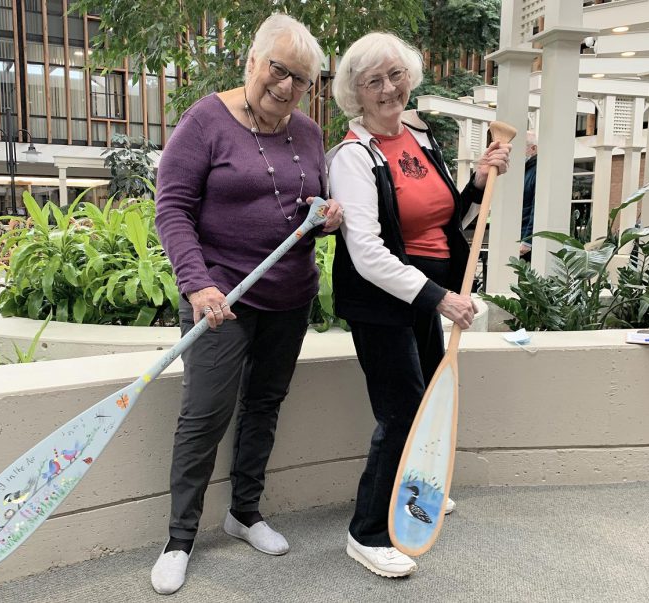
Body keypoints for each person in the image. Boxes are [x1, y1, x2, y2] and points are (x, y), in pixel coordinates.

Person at [152, 14, 343, 595]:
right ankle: (179, 539)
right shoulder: (204, 121)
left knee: (264, 405)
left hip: (288, 299)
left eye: (301, 80)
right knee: (205, 416)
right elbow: (172, 208)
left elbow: (308, 212)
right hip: (220, 300)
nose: (286, 87)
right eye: (278, 70)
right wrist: (196, 283)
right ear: (252, 63)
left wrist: (325, 218)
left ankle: (244, 513)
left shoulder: (308, 132)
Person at [327, 32, 511, 578]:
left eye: (396, 75)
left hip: (429, 299)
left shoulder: (419, 137)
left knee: (431, 396)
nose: (389, 89)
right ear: (355, 93)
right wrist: (441, 300)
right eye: (373, 81)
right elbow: (366, 253)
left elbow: (446, 219)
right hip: (382, 302)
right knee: (402, 407)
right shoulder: (353, 157)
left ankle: (415, 483)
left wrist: (476, 184)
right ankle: (367, 531)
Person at [520, 130, 538, 261]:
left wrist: (527, 241)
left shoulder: (537, 170)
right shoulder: (524, 170)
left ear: (533, 148)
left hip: (526, 244)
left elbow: (536, 207)